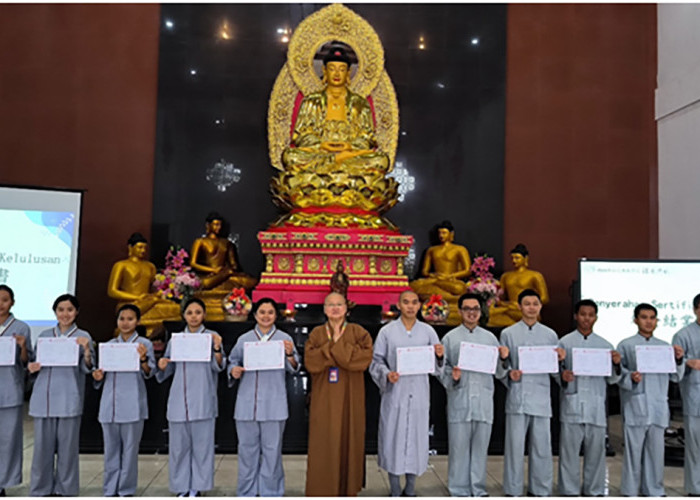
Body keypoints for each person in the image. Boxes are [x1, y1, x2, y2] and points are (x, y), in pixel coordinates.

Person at [370, 290, 445, 496]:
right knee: (393, 438)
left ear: (419, 306)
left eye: (414, 303)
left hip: (419, 393)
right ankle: (394, 488)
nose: (410, 306)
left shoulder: (428, 331)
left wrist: (439, 356)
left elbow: (438, 366)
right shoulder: (387, 332)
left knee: (416, 439)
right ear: (399, 305)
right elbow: (376, 361)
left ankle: (410, 488)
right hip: (396, 393)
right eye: (406, 302)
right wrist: (387, 374)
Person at [227, 298, 300, 496]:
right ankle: (247, 492)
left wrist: (290, 354)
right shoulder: (244, 339)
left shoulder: (284, 339)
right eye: (262, 312)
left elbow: (294, 368)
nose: (266, 316)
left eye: (270, 312)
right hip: (246, 405)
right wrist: (233, 370)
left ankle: (271, 492)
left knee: (272, 452)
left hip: (274, 405)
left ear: (276, 316)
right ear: (255, 315)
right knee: (247, 452)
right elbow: (232, 360)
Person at [439, 293, 508, 497]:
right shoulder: (450, 338)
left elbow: (499, 371)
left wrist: (504, 360)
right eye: (467, 309)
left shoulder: (490, 339)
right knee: (459, 448)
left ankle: (478, 488)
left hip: (484, 400)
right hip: (460, 398)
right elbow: (442, 369)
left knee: (480, 448)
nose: (471, 313)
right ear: (460, 311)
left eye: (475, 309)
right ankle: (458, 489)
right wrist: (454, 376)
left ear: (481, 312)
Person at [304, 292, 373, 496]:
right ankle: (321, 488)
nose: (335, 308)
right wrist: (338, 350)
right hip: (323, 397)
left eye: (339, 304)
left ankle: (348, 488)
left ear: (347, 308)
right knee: (323, 438)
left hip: (351, 396)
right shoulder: (316, 333)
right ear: (324, 309)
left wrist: (331, 350)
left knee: (349, 438)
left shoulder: (359, 332)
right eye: (330, 305)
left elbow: (364, 359)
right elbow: (311, 362)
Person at [498, 288, 564, 496]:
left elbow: (556, 372)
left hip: (542, 397)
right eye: (527, 304)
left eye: (535, 304)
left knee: (542, 448)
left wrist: (561, 362)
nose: (531, 308)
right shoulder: (508, 333)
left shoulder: (550, 335)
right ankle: (513, 489)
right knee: (514, 447)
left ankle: (541, 489)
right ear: (519, 306)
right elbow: (501, 366)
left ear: (540, 306)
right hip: (518, 396)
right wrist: (509, 373)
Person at [156, 298, 224, 497]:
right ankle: (181, 487)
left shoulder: (212, 337)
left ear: (204, 315)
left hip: (204, 400)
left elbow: (219, 366)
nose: (194, 316)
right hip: (178, 401)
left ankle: (198, 486)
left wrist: (218, 349)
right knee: (178, 448)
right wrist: (163, 365)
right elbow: (168, 368)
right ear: (184, 315)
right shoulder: (176, 339)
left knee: (202, 448)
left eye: (198, 312)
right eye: (190, 313)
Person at [28, 294, 94, 496]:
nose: (65, 314)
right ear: (55, 312)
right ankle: (41, 488)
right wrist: (33, 367)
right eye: (61, 310)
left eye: (70, 310)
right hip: (44, 398)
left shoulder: (83, 336)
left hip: (69, 398)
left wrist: (87, 351)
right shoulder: (45, 336)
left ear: (77, 312)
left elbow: (89, 368)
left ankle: (66, 489)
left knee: (67, 449)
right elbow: (33, 362)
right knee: (41, 450)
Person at [617, 303, 684, 496]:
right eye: (644, 317)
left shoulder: (665, 347)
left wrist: (678, 360)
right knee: (633, 452)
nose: (648, 321)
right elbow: (617, 373)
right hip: (635, 405)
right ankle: (630, 490)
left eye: (652, 318)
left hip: (658, 406)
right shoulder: (626, 345)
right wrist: (630, 376)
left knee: (656, 453)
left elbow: (675, 377)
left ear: (657, 321)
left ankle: (654, 489)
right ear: (635, 320)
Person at [556, 299, 622, 496]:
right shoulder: (564, 343)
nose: (586, 318)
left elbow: (612, 378)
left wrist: (616, 364)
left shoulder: (605, 345)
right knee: (569, 453)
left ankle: (594, 490)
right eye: (583, 314)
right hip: (572, 404)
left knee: (596, 453)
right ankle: (569, 490)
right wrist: (563, 375)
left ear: (596, 317)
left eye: (591, 315)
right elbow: (556, 372)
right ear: (576, 316)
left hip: (595, 407)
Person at [92, 304, 156, 497]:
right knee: (110, 450)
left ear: (137, 321)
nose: (125, 323)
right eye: (122, 319)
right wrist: (98, 375)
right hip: (109, 403)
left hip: (133, 404)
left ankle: (126, 490)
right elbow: (99, 373)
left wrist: (143, 359)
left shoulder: (144, 344)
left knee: (129, 452)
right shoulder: (110, 345)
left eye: (130, 319)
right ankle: (110, 489)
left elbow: (150, 372)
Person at [107, 232, 181, 334]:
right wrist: (137, 297)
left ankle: (155, 332)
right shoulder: (121, 265)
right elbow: (112, 291)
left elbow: (153, 289)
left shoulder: (150, 266)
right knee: (131, 312)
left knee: (176, 308)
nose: (143, 250)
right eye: (139, 247)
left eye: (144, 248)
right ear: (130, 247)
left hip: (148, 301)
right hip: (130, 303)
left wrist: (158, 294)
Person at [0, 285, 32, 495]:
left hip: (9, 389)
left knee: (7, 439)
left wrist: (21, 347)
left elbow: (26, 361)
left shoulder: (21, 328)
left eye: (4, 300)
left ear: (12, 302)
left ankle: (2, 482)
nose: (0, 304)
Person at [672, 293, 700, 496]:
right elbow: (675, 369)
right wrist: (687, 361)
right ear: (696, 309)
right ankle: (695, 488)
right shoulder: (683, 334)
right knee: (695, 448)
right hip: (695, 399)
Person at [189, 212, 257, 291]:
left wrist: (224, 270)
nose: (219, 227)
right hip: (208, 276)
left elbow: (234, 265)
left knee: (252, 281)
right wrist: (213, 270)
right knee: (203, 283)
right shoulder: (200, 242)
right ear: (208, 225)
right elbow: (193, 263)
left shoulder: (226, 243)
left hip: (224, 274)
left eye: (220, 225)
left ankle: (223, 277)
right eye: (216, 224)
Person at [489, 244, 549, 328]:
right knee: (489, 317)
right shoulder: (506, 276)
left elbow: (544, 298)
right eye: (512, 258)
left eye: (517, 258)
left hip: (525, 309)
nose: (514, 261)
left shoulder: (535, 275)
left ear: (525, 258)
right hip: (509, 308)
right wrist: (501, 302)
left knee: (525, 316)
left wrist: (527, 304)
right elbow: (500, 297)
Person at [410, 220, 472, 297]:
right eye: (439, 233)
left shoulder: (460, 249)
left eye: (444, 233)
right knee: (412, 286)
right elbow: (424, 271)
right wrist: (432, 275)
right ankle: (438, 286)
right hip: (435, 279)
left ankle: (436, 288)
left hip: (450, 280)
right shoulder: (431, 250)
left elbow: (468, 271)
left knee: (458, 288)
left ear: (451, 234)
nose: (441, 236)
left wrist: (449, 276)